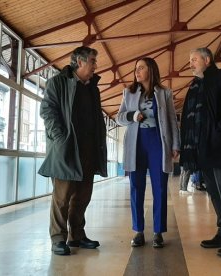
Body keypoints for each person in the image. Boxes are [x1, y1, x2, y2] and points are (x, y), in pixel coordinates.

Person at [38, 46, 107, 255]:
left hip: (89, 150)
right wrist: (60, 138)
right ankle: (58, 238)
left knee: (83, 195)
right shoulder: (58, 82)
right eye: (93, 61)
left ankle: (76, 235)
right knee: (62, 197)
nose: (95, 66)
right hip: (67, 149)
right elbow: (48, 110)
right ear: (80, 62)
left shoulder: (92, 88)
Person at [180, 48, 221, 258]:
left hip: (220, 144)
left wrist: (220, 129)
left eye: (194, 59)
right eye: (189, 60)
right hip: (202, 148)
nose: (190, 64)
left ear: (207, 60)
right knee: (213, 191)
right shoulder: (195, 86)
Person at [116, 57, 180, 248]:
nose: (137, 71)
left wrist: (175, 144)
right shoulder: (128, 92)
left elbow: (171, 120)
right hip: (136, 142)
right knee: (136, 186)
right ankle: (138, 231)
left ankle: (158, 231)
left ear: (151, 70)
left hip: (158, 142)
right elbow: (119, 117)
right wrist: (132, 115)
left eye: (141, 68)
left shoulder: (165, 93)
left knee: (160, 186)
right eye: (136, 68)